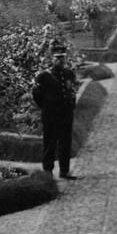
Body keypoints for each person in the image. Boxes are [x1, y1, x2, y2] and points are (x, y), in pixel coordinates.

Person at [32, 39, 79, 180]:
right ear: (51, 59)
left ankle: (64, 171)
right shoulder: (43, 76)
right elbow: (36, 94)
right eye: (57, 58)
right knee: (49, 143)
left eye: (62, 57)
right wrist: (46, 107)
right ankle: (48, 172)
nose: (60, 60)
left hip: (66, 114)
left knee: (65, 143)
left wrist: (71, 106)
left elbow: (72, 92)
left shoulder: (69, 73)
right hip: (50, 115)